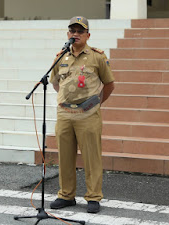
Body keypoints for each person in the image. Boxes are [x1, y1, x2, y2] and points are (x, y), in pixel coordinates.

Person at [49, 16, 115, 214]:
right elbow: (54, 82)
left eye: (80, 31)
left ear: (88, 35)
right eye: (72, 31)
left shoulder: (97, 57)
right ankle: (66, 195)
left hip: (88, 115)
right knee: (65, 157)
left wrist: (95, 104)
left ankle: (93, 197)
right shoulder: (61, 56)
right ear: (68, 34)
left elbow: (109, 85)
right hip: (65, 114)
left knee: (91, 157)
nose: (75, 34)